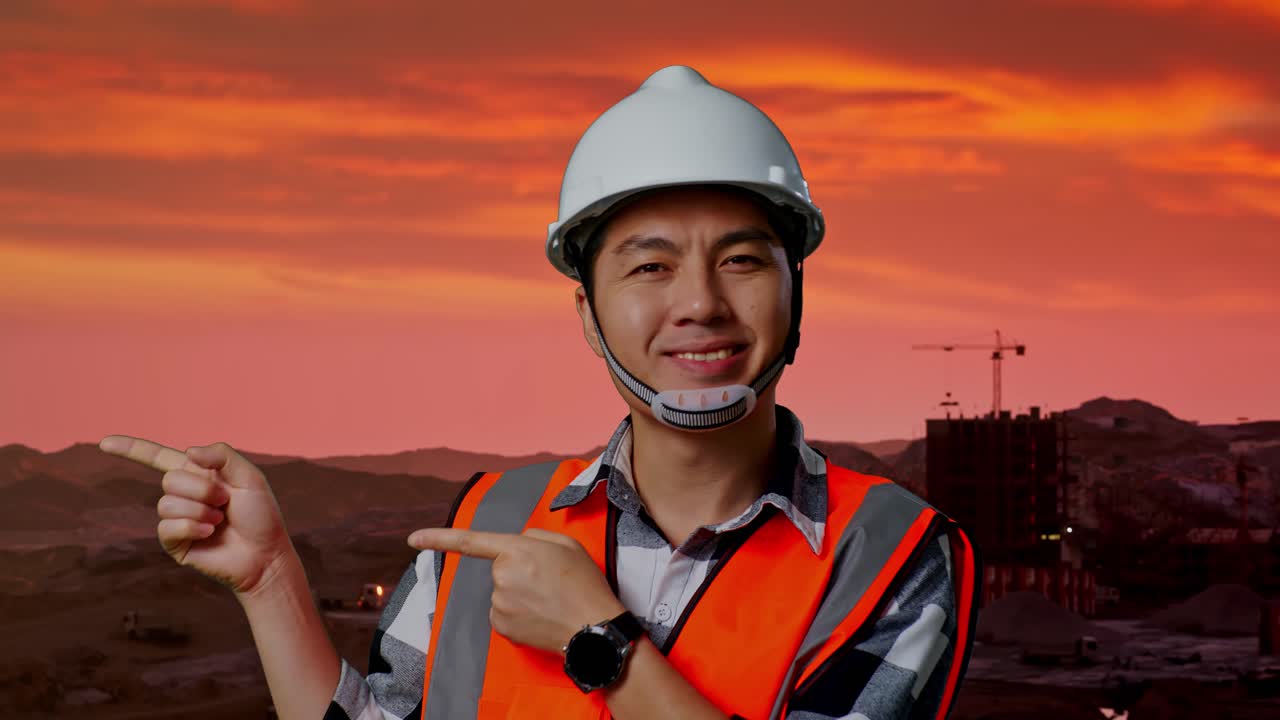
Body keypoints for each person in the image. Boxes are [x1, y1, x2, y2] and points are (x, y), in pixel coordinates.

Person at [100, 65, 978, 720]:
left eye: (742, 259)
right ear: (588, 313)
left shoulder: (889, 556)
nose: (701, 303)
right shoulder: (490, 524)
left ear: (797, 291)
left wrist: (600, 643)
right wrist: (269, 580)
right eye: (650, 267)